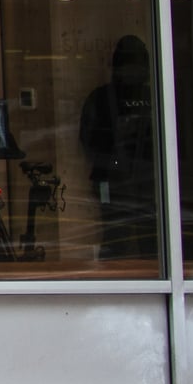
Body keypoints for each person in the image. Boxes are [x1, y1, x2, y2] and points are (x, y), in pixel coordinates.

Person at [78, 34, 157, 261]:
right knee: (118, 236)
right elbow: (90, 142)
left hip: (141, 178)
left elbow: (89, 142)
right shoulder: (105, 99)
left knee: (142, 237)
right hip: (118, 178)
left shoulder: (153, 95)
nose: (133, 71)